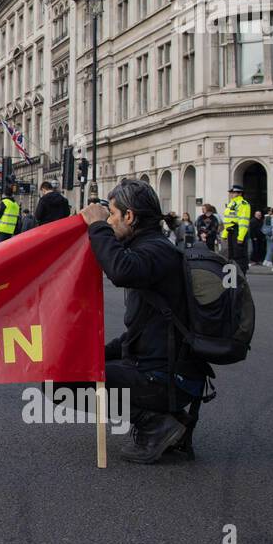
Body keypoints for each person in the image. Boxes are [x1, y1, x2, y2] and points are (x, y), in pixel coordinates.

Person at [75, 180, 212, 463]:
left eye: (112, 214)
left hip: (168, 377)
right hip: (161, 369)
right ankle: (168, 419)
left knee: (62, 383)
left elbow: (120, 271)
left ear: (129, 216)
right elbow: (138, 333)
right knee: (68, 370)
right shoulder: (150, 247)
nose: (110, 220)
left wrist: (97, 227)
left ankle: (156, 423)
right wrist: (91, 356)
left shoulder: (157, 250)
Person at [221, 184, 251, 273]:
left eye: (233, 192)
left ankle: (242, 275)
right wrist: (224, 234)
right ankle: (233, 275)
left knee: (240, 255)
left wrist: (240, 237)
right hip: (230, 231)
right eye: (231, 192)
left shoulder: (243, 204)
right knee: (231, 255)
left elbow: (243, 221)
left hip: (238, 231)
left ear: (239, 193)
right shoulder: (231, 203)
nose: (231, 194)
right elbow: (228, 220)